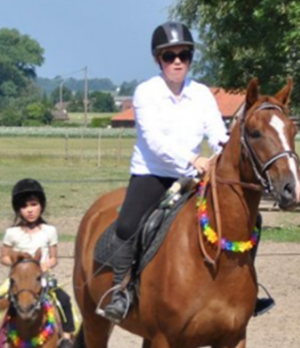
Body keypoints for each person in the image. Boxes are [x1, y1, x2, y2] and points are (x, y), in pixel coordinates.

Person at [101, 21, 274, 324]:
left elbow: (217, 133)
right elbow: (154, 140)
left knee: (251, 220)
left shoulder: (203, 94)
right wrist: (193, 158)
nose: (177, 61)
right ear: (159, 60)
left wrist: (230, 147)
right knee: (128, 225)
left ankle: (247, 287)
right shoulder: (146, 93)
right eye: (170, 56)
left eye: (184, 54)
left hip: (198, 176)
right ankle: (122, 290)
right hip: (153, 174)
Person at [0, 178, 75, 348]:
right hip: (18, 280)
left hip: (42, 278)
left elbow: (54, 258)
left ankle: (67, 343)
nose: (29, 210)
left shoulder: (49, 231)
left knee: (65, 300)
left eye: (33, 204)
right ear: (18, 210)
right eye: (24, 206)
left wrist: (45, 265)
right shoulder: (12, 233)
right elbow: (3, 257)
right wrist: (16, 262)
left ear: (41, 206)